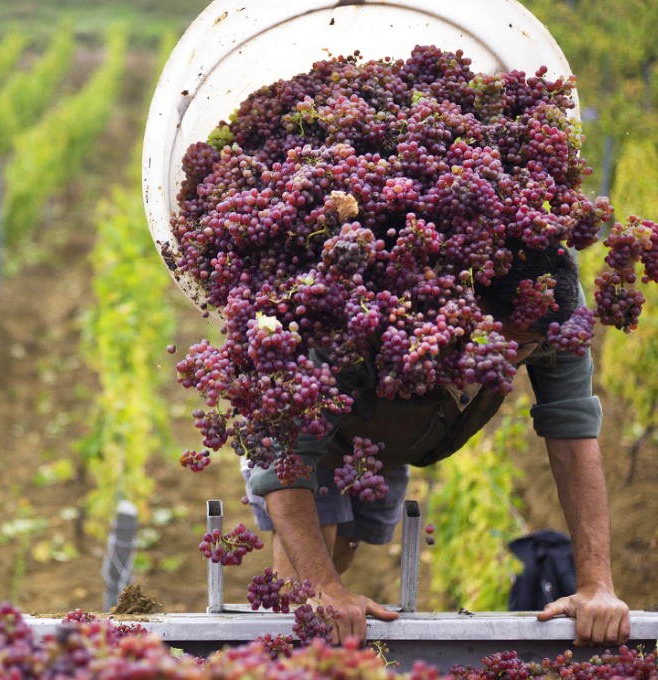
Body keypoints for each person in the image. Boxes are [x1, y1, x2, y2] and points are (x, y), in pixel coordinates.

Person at [242, 242, 632, 648]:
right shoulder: (349, 310)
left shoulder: (555, 309)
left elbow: (573, 432)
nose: (508, 361)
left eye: (525, 349)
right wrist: (320, 587)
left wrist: (597, 585)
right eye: (499, 343)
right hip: (313, 422)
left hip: (381, 443)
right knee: (307, 597)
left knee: (339, 553)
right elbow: (285, 461)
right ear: (463, 303)